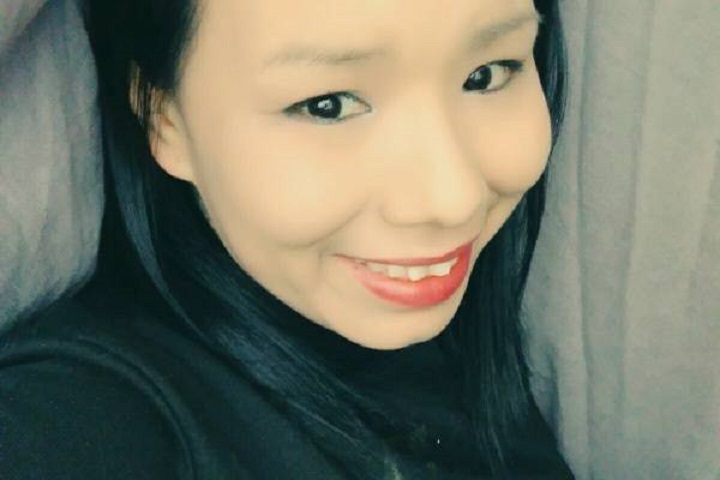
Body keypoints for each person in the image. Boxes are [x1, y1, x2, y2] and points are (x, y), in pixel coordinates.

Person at [0, 0, 572, 478]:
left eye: (487, 74)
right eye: (329, 106)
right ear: (164, 117)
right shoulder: (85, 416)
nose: (453, 199)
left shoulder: (482, 350)